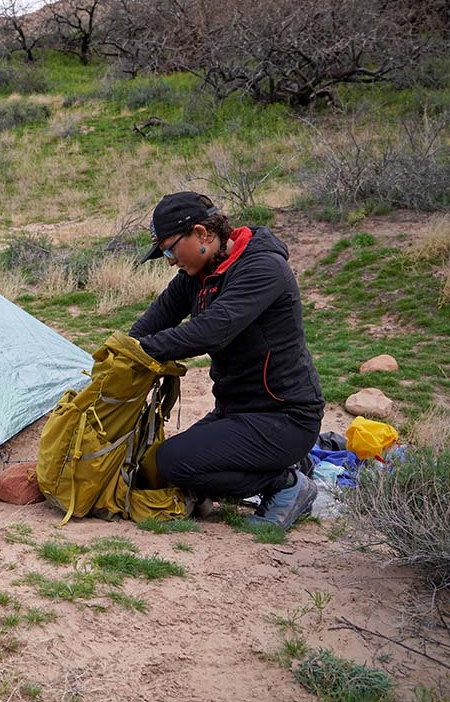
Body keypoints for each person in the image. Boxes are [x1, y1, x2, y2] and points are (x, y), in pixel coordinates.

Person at [129, 192, 324, 529]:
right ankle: (284, 466)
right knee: (158, 468)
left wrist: (144, 352)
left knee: (174, 463)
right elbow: (150, 324)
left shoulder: (263, 268)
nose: (170, 260)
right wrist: (119, 353)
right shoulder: (197, 275)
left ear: (202, 233)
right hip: (235, 414)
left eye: (170, 248)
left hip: (284, 417)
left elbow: (209, 332)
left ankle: (286, 484)